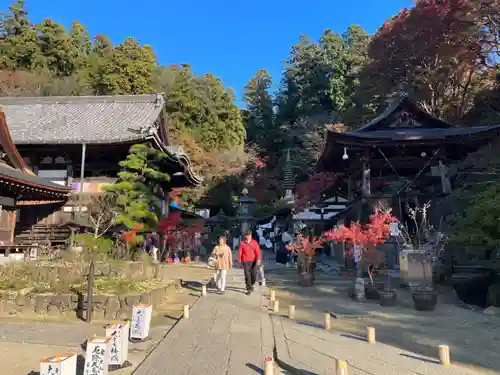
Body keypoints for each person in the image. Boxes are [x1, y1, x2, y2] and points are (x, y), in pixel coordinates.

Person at [238, 231, 262, 295]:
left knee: (254, 274)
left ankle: (251, 284)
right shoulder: (242, 243)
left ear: (251, 236)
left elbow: (258, 252)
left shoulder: (254, 243)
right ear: (245, 236)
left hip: (253, 261)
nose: (248, 236)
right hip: (245, 261)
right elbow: (240, 252)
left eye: (249, 235)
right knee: (247, 275)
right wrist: (239, 261)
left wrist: (259, 259)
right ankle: (249, 288)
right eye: (247, 235)